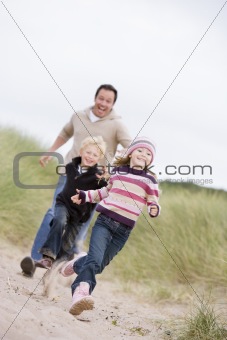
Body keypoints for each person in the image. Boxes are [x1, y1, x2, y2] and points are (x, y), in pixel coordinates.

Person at [25, 84, 131, 264]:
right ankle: (37, 258)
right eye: (101, 98)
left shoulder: (117, 125)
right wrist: (50, 151)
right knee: (54, 212)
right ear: (95, 97)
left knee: (81, 220)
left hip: (95, 181)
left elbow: (130, 148)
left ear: (113, 104)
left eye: (108, 101)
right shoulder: (79, 116)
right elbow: (65, 133)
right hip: (71, 173)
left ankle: (66, 261)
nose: (103, 103)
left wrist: (114, 168)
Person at [60, 136, 161, 316]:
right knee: (95, 260)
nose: (143, 155)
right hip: (105, 222)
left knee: (99, 264)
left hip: (124, 231)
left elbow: (153, 201)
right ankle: (81, 293)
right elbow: (104, 192)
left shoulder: (150, 181)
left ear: (150, 160)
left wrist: (154, 208)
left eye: (148, 154)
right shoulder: (118, 172)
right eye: (140, 150)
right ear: (130, 154)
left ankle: (77, 264)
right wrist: (84, 195)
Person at [20, 136, 108, 277]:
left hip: (80, 215)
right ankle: (47, 258)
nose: (90, 156)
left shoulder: (98, 177)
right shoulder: (70, 167)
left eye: (95, 155)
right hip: (64, 204)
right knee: (59, 221)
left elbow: (107, 189)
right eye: (88, 152)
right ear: (81, 152)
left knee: (67, 245)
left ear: (99, 158)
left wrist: (106, 178)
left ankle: (54, 271)